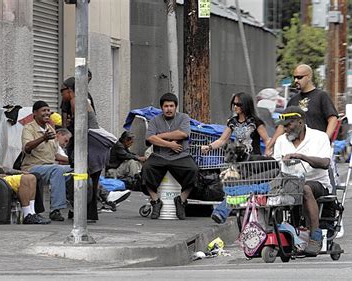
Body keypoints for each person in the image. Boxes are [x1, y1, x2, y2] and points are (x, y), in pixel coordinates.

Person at [201, 92, 270, 224]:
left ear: (246, 105)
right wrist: (209, 147)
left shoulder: (256, 122)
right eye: (234, 103)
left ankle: (222, 211)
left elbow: (267, 140)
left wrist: (268, 152)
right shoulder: (232, 122)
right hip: (238, 162)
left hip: (252, 162)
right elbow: (222, 140)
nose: (235, 107)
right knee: (238, 188)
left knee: (240, 188)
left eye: (238, 104)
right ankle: (226, 211)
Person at [273, 106, 332, 255]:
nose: (285, 129)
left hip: (316, 183)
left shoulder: (320, 137)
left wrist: (301, 156)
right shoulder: (281, 141)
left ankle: (315, 236)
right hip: (289, 182)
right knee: (266, 189)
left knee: (305, 188)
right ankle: (276, 236)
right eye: (283, 126)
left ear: (300, 122)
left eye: (288, 125)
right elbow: (275, 166)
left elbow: (325, 163)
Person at [60, 75, 114, 222]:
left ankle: (81, 212)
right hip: (96, 146)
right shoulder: (84, 99)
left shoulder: (75, 101)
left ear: (70, 90)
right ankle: (89, 214)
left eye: (62, 91)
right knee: (91, 180)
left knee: (82, 178)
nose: (61, 95)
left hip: (90, 146)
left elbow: (80, 127)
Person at [142, 93, 198, 220]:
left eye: (171, 106)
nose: (169, 109)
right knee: (146, 169)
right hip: (159, 156)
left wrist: (159, 136)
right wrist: (169, 145)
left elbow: (183, 134)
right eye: (166, 106)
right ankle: (155, 201)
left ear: (176, 107)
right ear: (161, 108)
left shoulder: (183, 118)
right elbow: (149, 138)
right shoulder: (155, 120)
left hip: (181, 156)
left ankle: (181, 200)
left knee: (193, 170)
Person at [266, 64, 338, 156]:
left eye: (299, 77)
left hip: (316, 147)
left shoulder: (321, 96)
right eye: (294, 77)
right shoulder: (293, 100)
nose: (296, 80)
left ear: (309, 77)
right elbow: (283, 125)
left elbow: (333, 119)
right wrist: (270, 145)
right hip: (296, 147)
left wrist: (325, 140)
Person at [21, 101, 73, 222]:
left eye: (48, 110)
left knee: (76, 170)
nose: (47, 113)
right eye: (43, 110)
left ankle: (75, 208)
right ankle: (55, 210)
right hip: (33, 168)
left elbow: (55, 154)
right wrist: (42, 138)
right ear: (35, 113)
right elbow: (27, 148)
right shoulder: (29, 128)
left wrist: (73, 161)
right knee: (57, 170)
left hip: (50, 167)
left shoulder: (50, 128)